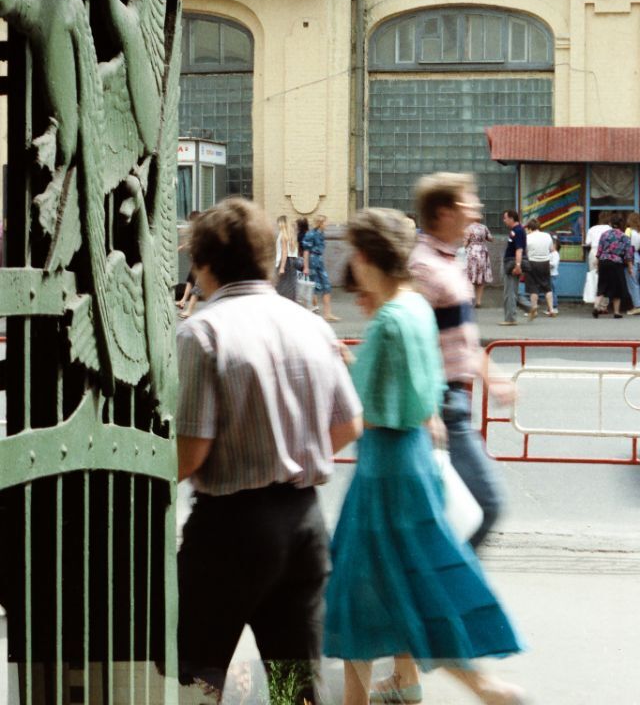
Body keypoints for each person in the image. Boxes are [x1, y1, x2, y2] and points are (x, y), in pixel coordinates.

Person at [324, 208, 524, 705]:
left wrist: (310, 457)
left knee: (362, 590)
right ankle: (457, 685)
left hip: (383, 473)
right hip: (412, 458)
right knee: (406, 584)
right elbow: (410, 388)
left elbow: (364, 414)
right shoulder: (414, 307)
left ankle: (481, 687)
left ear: (365, 256)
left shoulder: (388, 322)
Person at [175, 197, 363, 703]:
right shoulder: (311, 324)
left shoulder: (202, 332)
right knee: (295, 684)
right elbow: (349, 423)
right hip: (303, 526)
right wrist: (291, 452)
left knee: (197, 675)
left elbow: (191, 453)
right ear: (270, 260)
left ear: (205, 264)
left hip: (229, 533)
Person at [373, 173, 517, 704]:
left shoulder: (448, 263)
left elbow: (460, 340)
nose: (477, 208)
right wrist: (428, 406)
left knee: (447, 530)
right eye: (468, 202)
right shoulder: (422, 268)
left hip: (454, 405)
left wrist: (490, 375)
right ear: (444, 211)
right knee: (481, 510)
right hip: (438, 410)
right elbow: (409, 342)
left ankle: (409, 662)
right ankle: (433, 613)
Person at [592, 213, 634, 319]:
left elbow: (599, 250)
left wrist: (597, 262)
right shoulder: (625, 237)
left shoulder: (604, 234)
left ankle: (596, 307)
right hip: (616, 263)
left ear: (610, 223)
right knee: (617, 287)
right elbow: (628, 255)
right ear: (621, 224)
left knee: (602, 285)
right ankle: (616, 312)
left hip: (604, 261)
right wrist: (630, 267)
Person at [302, 214, 340, 322]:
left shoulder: (321, 233)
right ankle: (313, 312)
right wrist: (306, 267)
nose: (327, 224)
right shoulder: (310, 234)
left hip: (319, 261)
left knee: (326, 285)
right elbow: (306, 251)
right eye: (326, 222)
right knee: (313, 288)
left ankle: (327, 314)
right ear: (320, 223)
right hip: (312, 261)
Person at [523, 218, 555, 321]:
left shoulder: (527, 237)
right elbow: (552, 249)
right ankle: (551, 309)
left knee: (533, 288)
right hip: (545, 263)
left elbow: (525, 251)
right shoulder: (547, 236)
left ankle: (534, 309)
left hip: (532, 263)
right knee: (547, 287)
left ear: (529, 228)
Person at [501, 210, 527, 326]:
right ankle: (510, 317)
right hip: (511, 263)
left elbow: (519, 250)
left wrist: (518, 266)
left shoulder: (518, 231)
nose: (504, 220)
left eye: (505, 218)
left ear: (511, 218)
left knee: (510, 292)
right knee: (510, 291)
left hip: (512, 264)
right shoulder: (515, 230)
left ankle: (510, 319)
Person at [464, 217, 493, 307]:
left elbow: (465, 242)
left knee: (469, 277)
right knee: (480, 277)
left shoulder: (468, 228)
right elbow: (491, 239)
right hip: (482, 253)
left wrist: (463, 249)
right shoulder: (484, 227)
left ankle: (469, 300)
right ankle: (478, 301)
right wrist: (483, 238)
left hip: (471, 253)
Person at [275, 214, 299, 301]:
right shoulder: (291, 235)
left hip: (285, 262)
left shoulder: (283, 235)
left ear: (281, 223)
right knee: (291, 285)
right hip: (292, 261)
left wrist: (282, 267)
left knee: (281, 286)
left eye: (278, 223)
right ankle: (291, 302)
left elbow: (284, 252)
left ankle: (282, 303)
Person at [624, 212, 640, 315]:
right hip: (638, 257)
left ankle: (637, 306)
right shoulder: (639, 232)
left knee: (632, 283)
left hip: (631, 257)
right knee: (637, 282)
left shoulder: (628, 230)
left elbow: (626, 245)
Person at [548, 237, 560, 315]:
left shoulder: (555, 254)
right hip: (549, 275)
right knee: (549, 291)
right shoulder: (551, 253)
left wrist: (546, 264)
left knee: (552, 292)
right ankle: (550, 308)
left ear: (555, 246)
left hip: (553, 275)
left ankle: (554, 307)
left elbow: (554, 264)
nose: (549, 246)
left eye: (551, 245)